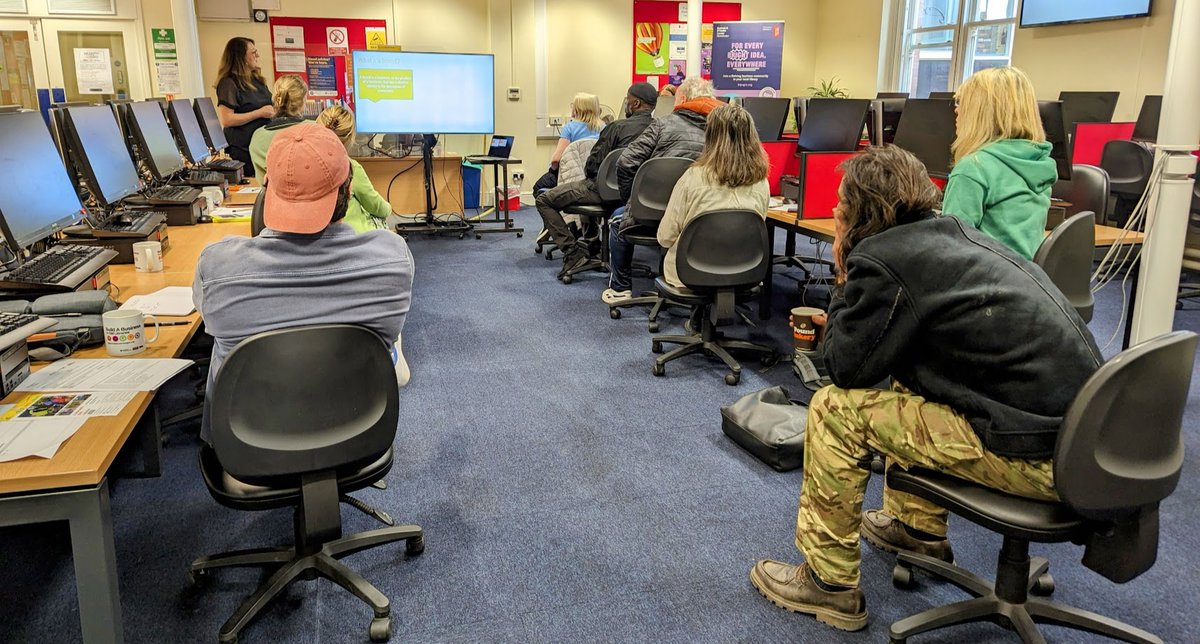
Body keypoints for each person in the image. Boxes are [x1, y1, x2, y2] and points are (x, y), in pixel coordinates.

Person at [748, 145, 1102, 632]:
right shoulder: (954, 237)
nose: (833, 211)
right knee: (909, 381)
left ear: (862, 212)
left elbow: (842, 370)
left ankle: (828, 585)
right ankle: (917, 531)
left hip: (1040, 458)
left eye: (840, 205)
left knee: (834, 409)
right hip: (1084, 440)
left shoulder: (885, 259)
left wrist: (844, 270)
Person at [193, 123, 415, 443]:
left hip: (248, 446)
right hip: (358, 435)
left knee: (222, 342)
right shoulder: (393, 261)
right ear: (349, 192)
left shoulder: (217, 268)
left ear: (266, 189)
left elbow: (204, 313)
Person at [602, 76, 722, 304]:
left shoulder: (662, 124)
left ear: (684, 99)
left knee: (616, 221)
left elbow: (626, 162)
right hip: (698, 214)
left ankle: (620, 288)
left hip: (652, 211)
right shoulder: (719, 132)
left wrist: (631, 201)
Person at [537, 82, 658, 278]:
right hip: (641, 196)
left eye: (627, 100)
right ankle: (595, 245)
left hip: (604, 192)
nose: (626, 103)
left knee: (544, 199)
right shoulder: (661, 129)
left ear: (635, 103)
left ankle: (572, 252)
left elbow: (593, 164)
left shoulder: (616, 127)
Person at [940, 66, 1057, 260]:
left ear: (981, 112)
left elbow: (950, 247)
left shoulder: (974, 167)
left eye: (962, 102)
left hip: (985, 282)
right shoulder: (1040, 162)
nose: (956, 109)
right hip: (1027, 280)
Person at [656, 103, 770, 289]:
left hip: (690, 274)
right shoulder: (761, 182)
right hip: (743, 271)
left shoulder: (693, 178)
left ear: (710, 137)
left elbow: (665, 237)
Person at [317, 105, 392, 233]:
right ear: (350, 137)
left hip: (314, 236)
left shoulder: (305, 167)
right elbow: (375, 205)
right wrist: (388, 209)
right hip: (353, 236)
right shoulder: (351, 167)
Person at [213, 37, 274, 176]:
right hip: (243, 149)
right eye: (253, 52)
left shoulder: (257, 80)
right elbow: (227, 119)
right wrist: (258, 113)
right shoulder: (229, 83)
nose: (257, 55)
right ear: (241, 57)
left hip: (260, 146)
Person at [532, 93, 605, 194]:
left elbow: (556, 160)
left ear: (578, 109)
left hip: (572, 178)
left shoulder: (569, 128)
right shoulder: (605, 128)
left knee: (538, 188)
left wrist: (552, 171)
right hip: (595, 178)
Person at [248, 75, 308, 180]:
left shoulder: (257, 137)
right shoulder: (317, 129)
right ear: (303, 101)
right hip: (311, 194)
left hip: (272, 195)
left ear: (275, 99)